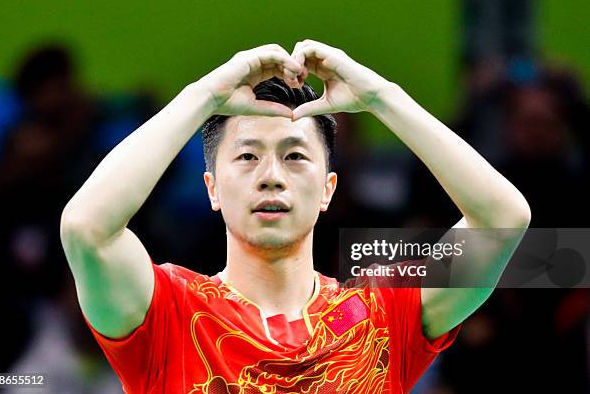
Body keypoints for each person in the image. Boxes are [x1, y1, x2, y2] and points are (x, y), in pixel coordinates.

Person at [60, 40, 531, 393]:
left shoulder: (386, 316)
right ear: (212, 189)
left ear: (328, 190)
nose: (271, 177)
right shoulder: (167, 312)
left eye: (295, 156)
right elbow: (88, 229)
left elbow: (503, 220)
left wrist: (382, 97)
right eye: (246, 157)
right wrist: (202, 96)